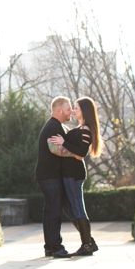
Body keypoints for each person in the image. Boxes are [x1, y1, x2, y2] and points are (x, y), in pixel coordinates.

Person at [49, 96, 103, 256]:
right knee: (68, 206)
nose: (73, 111)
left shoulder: (85, 129)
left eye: (76, 108)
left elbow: (81, 153)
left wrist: (63, 142)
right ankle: (89, 241)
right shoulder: (80, 128)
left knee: (78, 207)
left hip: (74, 175)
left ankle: (86, 244)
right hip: (69, 174)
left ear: (84, 111)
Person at [35, 96, 84, 258]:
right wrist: (76, 154)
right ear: (59, 110)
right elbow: (54, 149)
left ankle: (50, 246)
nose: (71, 111)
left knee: (51, 210)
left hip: (50, 175)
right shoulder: (53, 127)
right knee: (54, 210)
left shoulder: (59, 126)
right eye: (68, 108)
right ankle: (56, 247)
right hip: (49, 175)